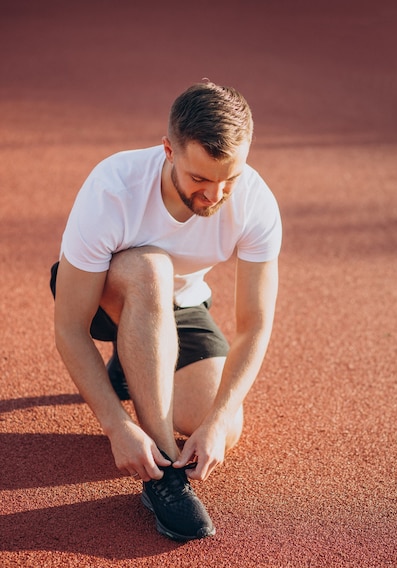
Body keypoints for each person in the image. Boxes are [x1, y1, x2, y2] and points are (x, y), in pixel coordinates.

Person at [50, 81, 282, 541]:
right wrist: (118, 425)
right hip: (105, 294)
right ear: (168, 150)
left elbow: (255, 325)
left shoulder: (255, 203)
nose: (215, 194)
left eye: (228, 179)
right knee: (152, 267)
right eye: (200, 179)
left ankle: (129, 368)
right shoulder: (112, 188)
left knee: (223, 424)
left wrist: (216, 422)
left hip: (182, 303)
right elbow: (70, 327)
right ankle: (162, 479)